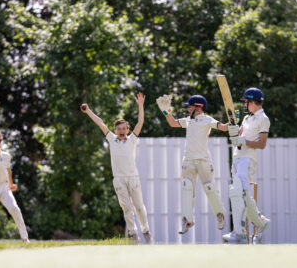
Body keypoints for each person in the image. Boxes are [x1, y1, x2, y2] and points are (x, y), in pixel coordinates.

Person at [80, 92, 152, 244]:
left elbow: (140, 123)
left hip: (133, 178)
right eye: (118, 128)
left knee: (139, 207)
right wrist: (88, 111)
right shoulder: (112, 139)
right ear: (115, 130)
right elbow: (100, 123)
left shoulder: (132, 139)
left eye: (124, 128)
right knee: (126, 208)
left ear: (127, 129)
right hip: (119, 180)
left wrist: (140, 105)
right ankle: (133, 234)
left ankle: (146, 231)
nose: (121, 131)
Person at [157, 94, 233, 235]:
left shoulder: (207, 119)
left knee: (209, 188)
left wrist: (233, 122)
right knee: (187, 188)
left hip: (203, 160)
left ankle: (220, 215)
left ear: (198, 107)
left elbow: (223, 128)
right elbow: (172, 123)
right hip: (189, 160)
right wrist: (165, 111)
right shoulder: (188, 121)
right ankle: (187, 220)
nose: (187, 108)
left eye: (190, 106)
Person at [222, 87, 270, 244]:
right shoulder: (247, 118)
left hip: (248, 159)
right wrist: (234, 132)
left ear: (253, 101)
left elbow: (262, 144)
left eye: (246, 102)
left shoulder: (263, 119)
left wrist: (244, 141)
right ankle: (260, 222)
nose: (245, 105)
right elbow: (239, 135)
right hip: (237, 157)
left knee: (238, 192)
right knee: (239, 193)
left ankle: (239, 232)